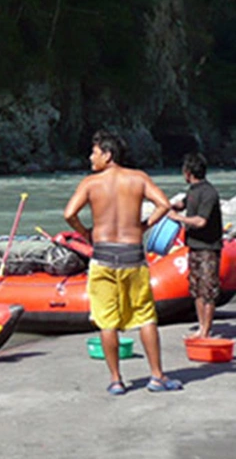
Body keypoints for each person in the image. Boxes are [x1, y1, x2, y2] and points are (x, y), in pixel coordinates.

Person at [63, 130, 183, 395]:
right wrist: (143, 227)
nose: (90, 157)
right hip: (132, 254)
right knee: (146, 317)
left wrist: (86, 234)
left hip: (103, 255)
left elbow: (69, 213)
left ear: (107, 155)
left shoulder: (90, 183)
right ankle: (156, 376)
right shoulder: (138, 178)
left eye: (94, 152)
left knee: (107, 322)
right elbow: (164, 204)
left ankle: (117, 380)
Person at [167, 152, 224, 340]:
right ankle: (201, 327)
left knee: (207, 291)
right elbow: (183, 203)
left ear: (188, 172)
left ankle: (206, 331)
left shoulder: (209, 193)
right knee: (196, 289)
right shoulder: (192, 190)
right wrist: (170, 206)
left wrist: (179, 219)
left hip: (208, 247)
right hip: (194, 247)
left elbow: (201, 221)